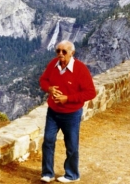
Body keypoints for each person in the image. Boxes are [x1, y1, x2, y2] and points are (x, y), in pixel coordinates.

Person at [39, 40, 96, 183]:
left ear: (72, 53)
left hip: (71, 113)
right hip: (53, 111)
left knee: (71, 145)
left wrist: (68, 99)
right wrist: (49, 89)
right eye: (58, 51)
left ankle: (72, 175)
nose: (60, 54)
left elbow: (90, 93)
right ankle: (47, 173)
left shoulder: (80, 69)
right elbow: (43, 80)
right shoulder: (53, 64)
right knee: (48, 141)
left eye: (64, 51)